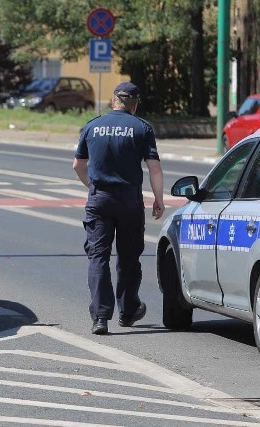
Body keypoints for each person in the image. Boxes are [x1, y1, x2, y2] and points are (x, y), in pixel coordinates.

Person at [72, 82, 165, 335]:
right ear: (135, 104)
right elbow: (154, 168)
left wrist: (92, 186)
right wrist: (159, 199)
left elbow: (78, 165)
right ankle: (128, 310)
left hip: (99, 199)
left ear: (114, 100)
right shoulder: (142, 128)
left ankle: (100, 318)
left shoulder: (92, 126)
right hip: (129, 201)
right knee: (128, 258)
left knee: (98, 257)